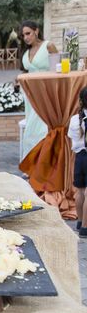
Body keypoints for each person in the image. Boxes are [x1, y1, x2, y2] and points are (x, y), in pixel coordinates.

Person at [20, 20, 58, 158]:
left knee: (42, 126)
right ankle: (32, 161)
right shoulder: (26, 52)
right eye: (23, 35)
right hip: (30, 95)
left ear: (36, 31)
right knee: (31, 127)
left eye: (28, 33)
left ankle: (43, 161)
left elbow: (57, 70)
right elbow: (28, 73)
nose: (26, 38)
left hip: (46, 93)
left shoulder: (49, 46)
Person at [68, 87, 87, 238]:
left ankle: (80, 221)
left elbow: (71, 139)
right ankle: (85, 228)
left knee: (80, 191)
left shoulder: (75, 119)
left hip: (80, 157)